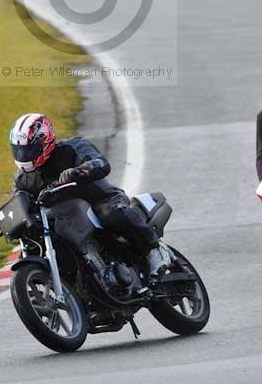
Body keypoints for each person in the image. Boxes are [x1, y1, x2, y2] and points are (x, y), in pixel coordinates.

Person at [9, 113, 169, 281]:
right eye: (19, 150)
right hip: (64, 219)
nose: (23, 155)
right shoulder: (22, 180)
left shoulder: (71, 148)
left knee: (111, 214)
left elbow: (100, 162)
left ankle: (154, 251)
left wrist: (78, 171)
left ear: (45, 141)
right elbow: (20, 202)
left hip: (100, 200)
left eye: (29, 150)